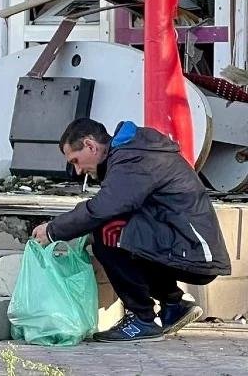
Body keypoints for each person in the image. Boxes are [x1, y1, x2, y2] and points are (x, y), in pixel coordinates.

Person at [32, 118, 230, 342]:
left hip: (194, 250)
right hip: (188, 244)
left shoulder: (134, 157)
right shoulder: (131, 152)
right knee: (114, 227)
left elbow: (106, 207)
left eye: (76, 161)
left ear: (90, 145)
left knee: (107, 231)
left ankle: (142, 319)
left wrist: (53, 230)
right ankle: (173, 305)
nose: (78, 170)